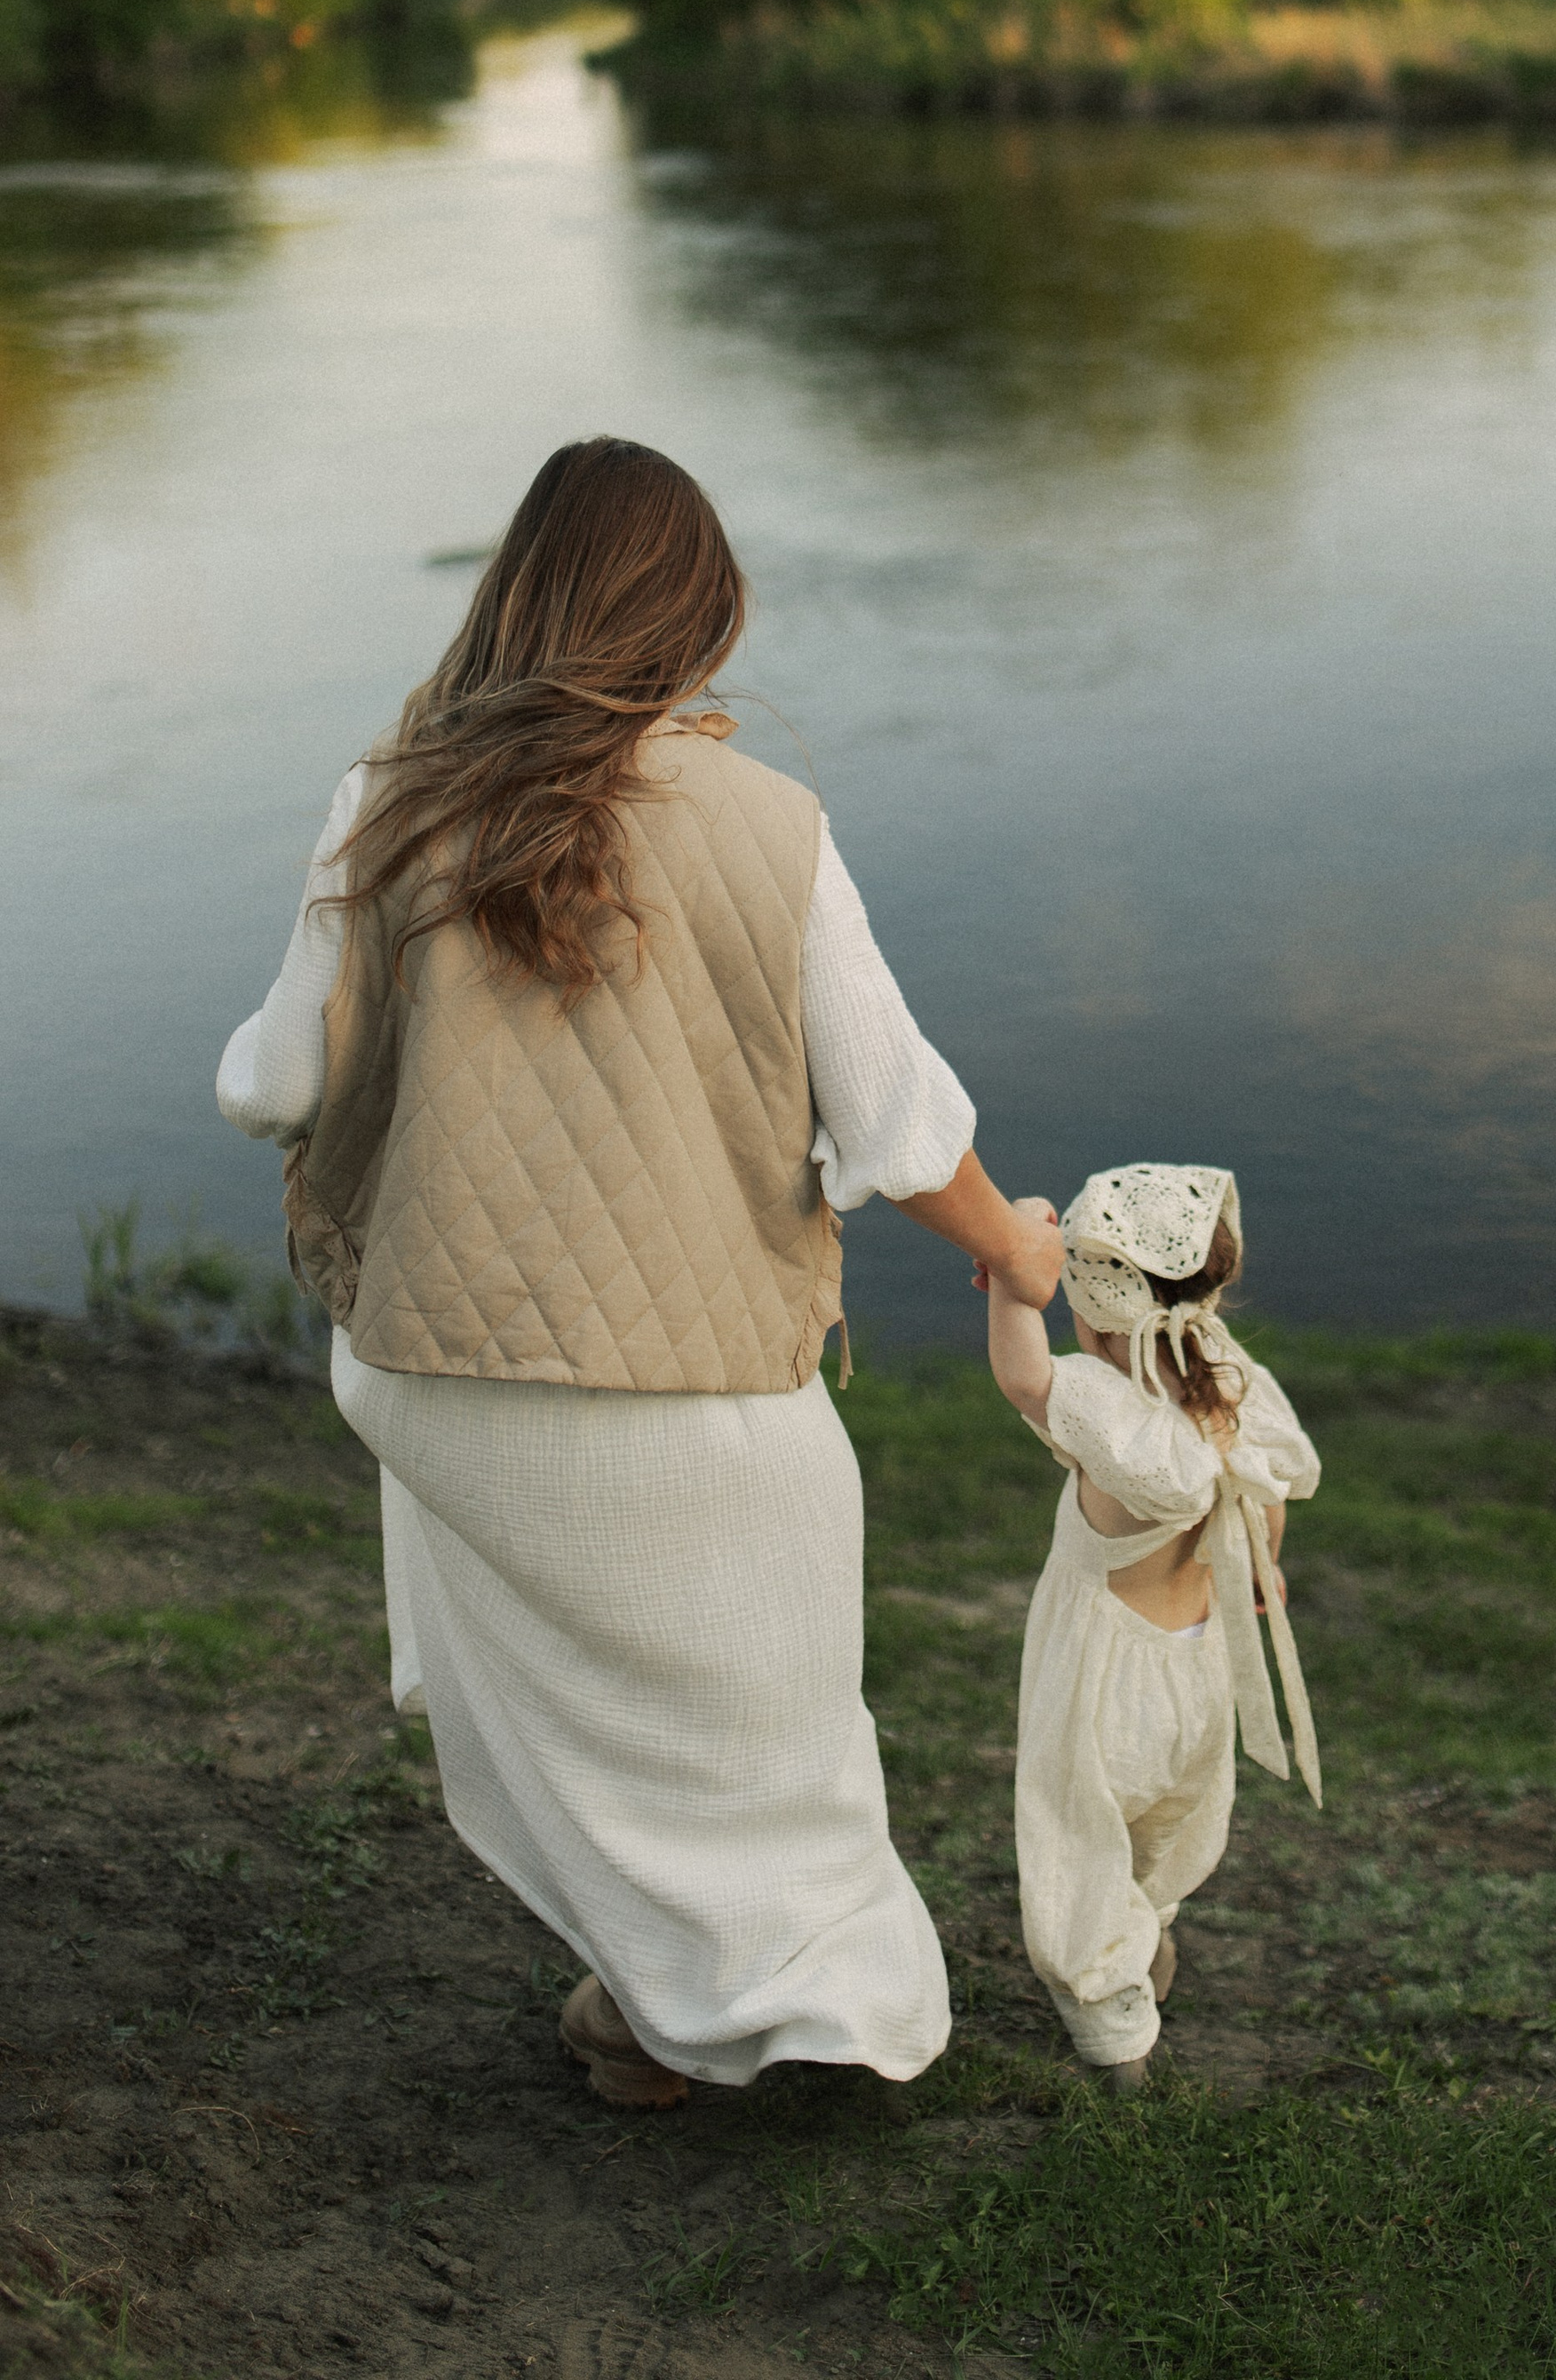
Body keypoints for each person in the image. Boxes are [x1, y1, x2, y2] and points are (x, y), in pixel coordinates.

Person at [216, 434, 1063, 2111]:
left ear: (514, 596)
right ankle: (808, 2012)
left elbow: (271, 1090)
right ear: (702, 621)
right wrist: (1021, 1254)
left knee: (552, 1680)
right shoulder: (771, 827)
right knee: (773, 1728)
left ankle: (652, 2005)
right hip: (701, 1392)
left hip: (436, 1370)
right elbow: (899, 1132)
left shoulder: (387, 800)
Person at [982, 1162, 1320, 2089]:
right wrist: (1266, 1570)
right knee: (1169, 1817)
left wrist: (1013, 1273)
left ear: (1090, 1308)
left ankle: (1115, 2033)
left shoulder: (1111, 1420)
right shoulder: (1228, 1390)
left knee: (1078, 1831)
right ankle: (1155, 1931)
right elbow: (1267, 1502)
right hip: (1203, 1666)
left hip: (1107, 1680)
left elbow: (1021, 1376)